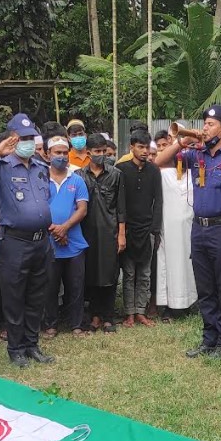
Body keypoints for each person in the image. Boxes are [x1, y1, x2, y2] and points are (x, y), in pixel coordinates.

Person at [154, 105, 221, 359]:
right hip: (199, 229)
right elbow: (159, 161)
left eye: (210, 124)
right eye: (205, 124)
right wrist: (182, 140)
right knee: (205, 287)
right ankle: (208, 339)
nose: (205, 128)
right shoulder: (197, 155)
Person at [0, 114, 56, 367]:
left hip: (41, 241)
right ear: (11, 140)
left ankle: (32, 344)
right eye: (21, 138)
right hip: (15, 243)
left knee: (36, 296)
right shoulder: (1, 167)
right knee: (14, 297)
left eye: (30, 138)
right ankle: (15, 348)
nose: (27, 142)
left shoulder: (41, 166)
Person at [40, 135, 89, 337]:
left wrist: (65, 228)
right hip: (48, 243)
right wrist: (55, 229)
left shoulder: (77, 179)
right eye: (57, 153)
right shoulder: (40, 179)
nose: (61, 156)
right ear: (47, 154)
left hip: (74, 243)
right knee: (49, 286)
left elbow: (82, 209)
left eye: (64, 152)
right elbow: (36, 208)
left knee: (76, 286)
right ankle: (51, 324)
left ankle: (76, 324)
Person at [119, 130, 163, 328]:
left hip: (148, 230)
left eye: (147, 147)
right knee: (128, 274)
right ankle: (129, 313)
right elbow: (119, 203)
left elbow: (158, 201)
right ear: (132, 148)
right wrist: (121, 230)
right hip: (127, 230)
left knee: (145, 274)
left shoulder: (154, 171)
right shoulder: (120, 169)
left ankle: (141, 312)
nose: (145, 151)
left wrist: (155, 229)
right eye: (141, 147)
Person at [82, 133, 126, 332]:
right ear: (88, 153)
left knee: (109, 273)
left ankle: (108, 316)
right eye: (97, 152)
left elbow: (121, 207)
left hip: (110, 232)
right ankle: (95, 316)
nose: (101, 155)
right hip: (86, 233)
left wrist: (122, 234)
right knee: (90, 274)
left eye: (103, 151)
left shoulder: (115, 174)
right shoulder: (79, 176)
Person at [155, 135, 197, 315]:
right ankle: (170, 306)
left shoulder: (201, 173)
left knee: (193, 266)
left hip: (194, 230)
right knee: (170, 265)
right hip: (170, 232)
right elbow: (158, 161)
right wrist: (179, 143)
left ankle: (194, 303)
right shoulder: (164, 174)